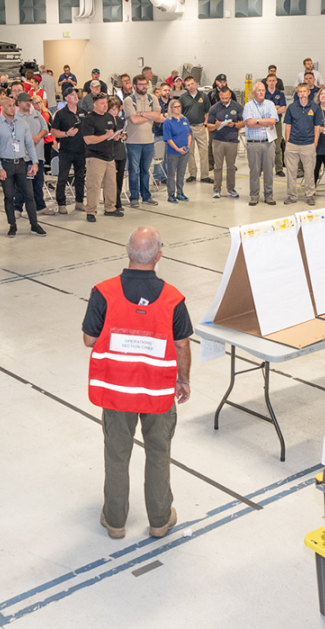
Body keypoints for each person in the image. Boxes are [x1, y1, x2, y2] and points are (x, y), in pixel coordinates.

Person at [83, 226, 192, 540]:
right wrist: (183, 380)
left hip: (117, 391)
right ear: (159, 256)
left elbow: (91, 339)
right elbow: (182, 345)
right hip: (157, 391)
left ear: (128, 252)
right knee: (158, 451)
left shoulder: (103, 292)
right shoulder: (173, 298)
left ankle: (115, 520)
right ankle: (159, 519)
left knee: (117, 453)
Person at [0, 93, 45, 237]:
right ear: (2, 108)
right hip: (5, 164)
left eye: (14, 105)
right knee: (9, 196)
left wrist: (35, 162)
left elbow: (29, 144)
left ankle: (34, 224)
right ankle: (12, 225)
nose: (13, 108)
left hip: (21, 163)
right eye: (9, 106)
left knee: (29, 194)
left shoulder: (22, 124)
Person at [82, 92, 124, 223]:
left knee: (111, 184)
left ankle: (110, 208)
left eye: (106, 103)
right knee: (94, 185)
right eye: (102, 104)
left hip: (109, 156)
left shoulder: (109, 117)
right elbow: (88, 139)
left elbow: (112, 133)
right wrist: (104, 137)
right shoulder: (89, 119)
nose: (105, 106)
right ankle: (91, 211)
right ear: (94, 104)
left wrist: (116, 136)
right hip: (95, 157)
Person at [122, 77, 163, 207]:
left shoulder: (152, 99)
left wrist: (141, 113)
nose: (143, 87)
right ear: (135, 86)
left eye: (145, 84)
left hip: (149, 141)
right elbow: (133, 120)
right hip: (133, 142)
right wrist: (149, 116)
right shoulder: (129, 100)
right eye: (140, 84)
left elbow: (158, 116)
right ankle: (134, 197)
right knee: (134, 171)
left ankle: (146, 196)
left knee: (145, 171)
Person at [283, 83, 323, 204]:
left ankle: (310, 195)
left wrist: (315, 142)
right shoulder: (291, 107)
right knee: (291, 172)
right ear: (297, 93)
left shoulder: (315, 108)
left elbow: (317, 127)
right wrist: (287, 141)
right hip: (293, 144)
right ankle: (291, 196)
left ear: (308, 92)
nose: (302, 94)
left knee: (310, 171)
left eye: (304, 91)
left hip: (308, 144)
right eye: (300, 92)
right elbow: (288, 126)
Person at [12, 93, 51, 217]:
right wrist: (29, 140)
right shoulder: (15, 118)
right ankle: (17, 208)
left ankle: (40, 206)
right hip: (24, 157)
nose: (27, 103)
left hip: (38, 155)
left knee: (38, 183)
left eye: (29, 101)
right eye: (24, 101)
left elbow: (45, 128)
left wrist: (38, 137)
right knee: (21, 184)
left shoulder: (37, 114)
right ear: (18, 103)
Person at [241, 82, 279, 206]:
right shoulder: (248, 106)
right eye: (259, 90)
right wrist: (266, 122)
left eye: (263, 90)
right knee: (254, 171)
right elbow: (248, 124)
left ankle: (269, 196)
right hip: (253, 144)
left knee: (269, 171)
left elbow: (273, 120)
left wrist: (257, 121)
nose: (261, 92)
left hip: (268, 143)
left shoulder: (270, 104)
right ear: (254, 93)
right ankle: (254, 196)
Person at [52, 88, 87, 215]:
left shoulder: (83, 112)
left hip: (81, 150)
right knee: (63, 177)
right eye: (71, 95)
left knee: (80, 177)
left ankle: (79, 201)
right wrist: (66, 133)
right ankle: (61, 203)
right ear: (66, 98)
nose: (75, 96)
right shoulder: (60, 114)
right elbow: (54, 132)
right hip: (66, 151)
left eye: (75, 94)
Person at [206, 86, 243, 200]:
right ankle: (216, 189)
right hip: (218, 140)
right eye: (222, 98)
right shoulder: (214, 108)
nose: (224, 100)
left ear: (230, 95)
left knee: (231, 167)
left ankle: (231, 188)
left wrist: (235, 125)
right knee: (218, 166)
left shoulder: (237, 107)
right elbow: (209, 127)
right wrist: (216, 125)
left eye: (226, 98)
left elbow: (244, 122)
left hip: (232, 140)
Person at [177, 77, 211, 185]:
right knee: (189, 151)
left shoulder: (203, 96)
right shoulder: (182, 98)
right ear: (185, 87)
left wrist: (205, 123)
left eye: (192, 84)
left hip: (200, 127)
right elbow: (179, 113)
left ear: (195, 83)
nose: (190, 86)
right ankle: (192, 174)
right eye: (188, 85)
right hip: (188, 128)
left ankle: (205, 175)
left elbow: (208, 111)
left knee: (204, 151)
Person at [160, 99, 191, 204]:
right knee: (171, 174)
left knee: (181, 173)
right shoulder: (168, 122)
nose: (178, 109)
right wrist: (177, 149)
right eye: (175, 107)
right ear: (171, 108)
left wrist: (188, 146)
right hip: (173, 151)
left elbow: (189, 134)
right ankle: (171, 194)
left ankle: (180, 192)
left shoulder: (184, 119)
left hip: (185, 151)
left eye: (179, 106)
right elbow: (168, 138)